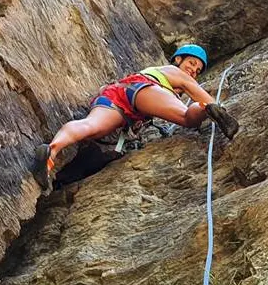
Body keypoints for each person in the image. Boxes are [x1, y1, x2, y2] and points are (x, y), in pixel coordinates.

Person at [32, 44, 239, 191]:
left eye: (197, 69)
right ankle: (206, 109)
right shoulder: (173, 72)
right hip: (145, 90)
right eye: (192, 63)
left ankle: (51, 152)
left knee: (90, 126)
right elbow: (194, 89)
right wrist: (216, 107)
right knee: (187, 117)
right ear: (178, 59)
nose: (193, 70)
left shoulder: (155, 71)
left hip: (118, 93)